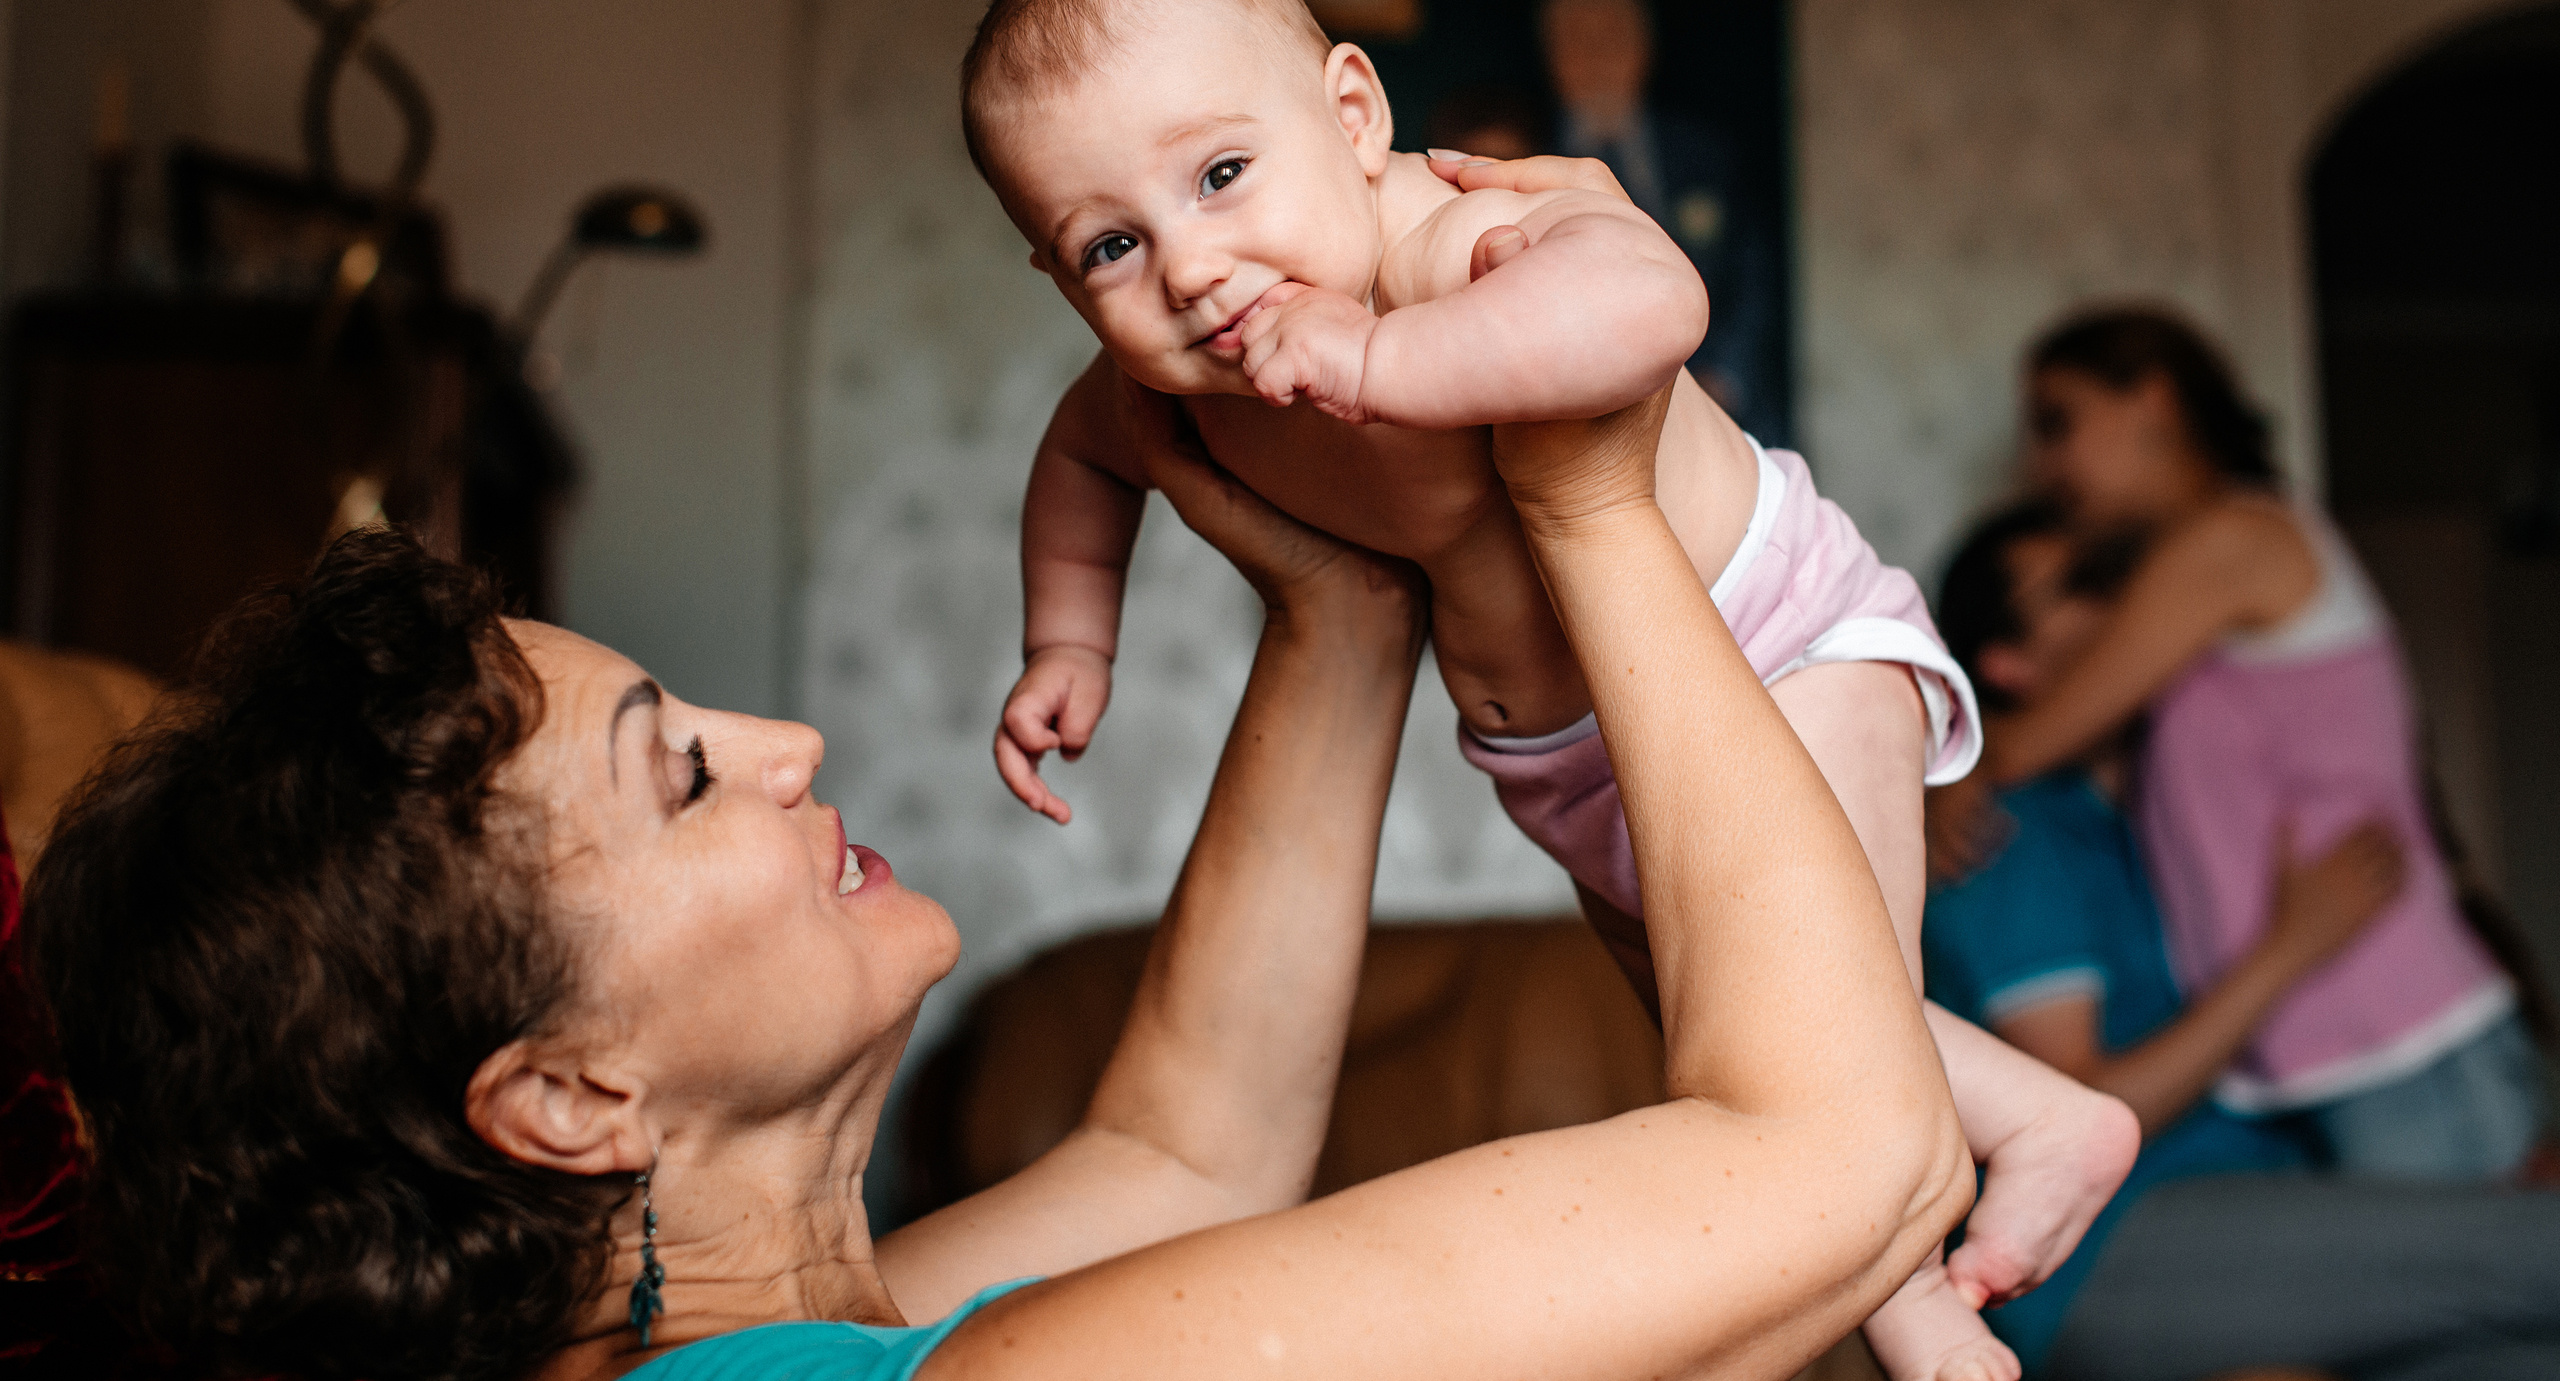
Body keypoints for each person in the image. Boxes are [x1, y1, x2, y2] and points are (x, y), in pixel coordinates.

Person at [20, 384, 1969, 1381]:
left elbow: (1186, 1149)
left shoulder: (742, 1336)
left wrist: (1340, 586)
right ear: (564, 1088)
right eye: (684, 771)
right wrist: (1581, 478)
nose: (784, 741)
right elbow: (1839, 1143)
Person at [966, 0, 2135, 1381]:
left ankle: (1928, 1302)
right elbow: (1080, 467)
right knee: (1726, 1013)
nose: (1191, 266)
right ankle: (2028, 1127)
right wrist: (1070, 642)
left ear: (1351, 112)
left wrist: (1388, 358)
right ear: (1060, 279)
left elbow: (1651, 303)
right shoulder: (1163, 388)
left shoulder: (1446, 240)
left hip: (1779, 646)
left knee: (1822, 1032)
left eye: (1221, 174)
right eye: (1111, 245)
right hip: (1568, 761)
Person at [1923, 500, 2560, 1381]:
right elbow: (2080, 1111)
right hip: (2104, 1243)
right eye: (2087, 588)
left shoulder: (2151, 808)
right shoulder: (2015, 837)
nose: (2137, 602)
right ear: (2008, 663)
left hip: (2240, 1204)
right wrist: (2291, 949)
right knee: (2537, 1251)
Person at [1932, 307, 2542, 1178]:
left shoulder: (2234, 541)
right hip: (2337, 1040)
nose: (2045, 465)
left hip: (2400, 1030)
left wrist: (1953, 771)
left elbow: (2031, 741)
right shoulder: (2200, 585)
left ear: (2153, 399)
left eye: (2058, 423)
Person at [1538, 0, 1788, 444]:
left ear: (1644, 49)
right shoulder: (1524, 149)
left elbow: (1753, 278)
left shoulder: (1706, 155)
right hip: (1570, 411)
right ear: (1552, 56)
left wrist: (1724, 377)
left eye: (1612, 37)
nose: (1597, 57)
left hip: (1716, 399)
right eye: (1576, 40)